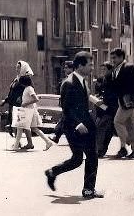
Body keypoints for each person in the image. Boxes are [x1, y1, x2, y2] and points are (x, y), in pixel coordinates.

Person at [45, 51, 103, 199]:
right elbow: (67, 108)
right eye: (89, 65)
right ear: (80, 66)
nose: (92, 68)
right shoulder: (69, 83)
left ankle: (53, 172)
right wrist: (78, 124)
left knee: (81, 159)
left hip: (85, 126)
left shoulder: (82, 81)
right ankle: (88, 190)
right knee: (87, 157)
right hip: (73, 127)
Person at [108, 48, 134, 159]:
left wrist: (132, 98)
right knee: (131, 125)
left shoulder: (129, 68)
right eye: (112, 58)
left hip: (128, 100)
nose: (113, 60)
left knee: (117, 121)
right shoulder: (116, 69)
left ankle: (125, 144)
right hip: (121, 100)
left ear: (121, 57)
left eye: (114, 58)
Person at [12, 72, 54, 151]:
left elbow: (36, 99)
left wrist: (25, 103)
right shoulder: (27, 88)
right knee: (31, 128)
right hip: (28, 110)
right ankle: (48, 142)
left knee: (21, 127)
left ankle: (16, 145)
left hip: (30, 111)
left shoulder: (29, 89)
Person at [4, 61, 35, 149]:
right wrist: (6, 100)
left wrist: (21, 99)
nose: (16, 69)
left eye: (18, 67)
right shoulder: (16, 78)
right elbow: (12, 91)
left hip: (19, 105)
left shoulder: (26, 79)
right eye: (16, 67)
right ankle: (20, 143)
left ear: (23, 68)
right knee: (17, 124)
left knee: (20, 124)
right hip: (12, 103)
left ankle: (23, 143)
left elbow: (30, 90)